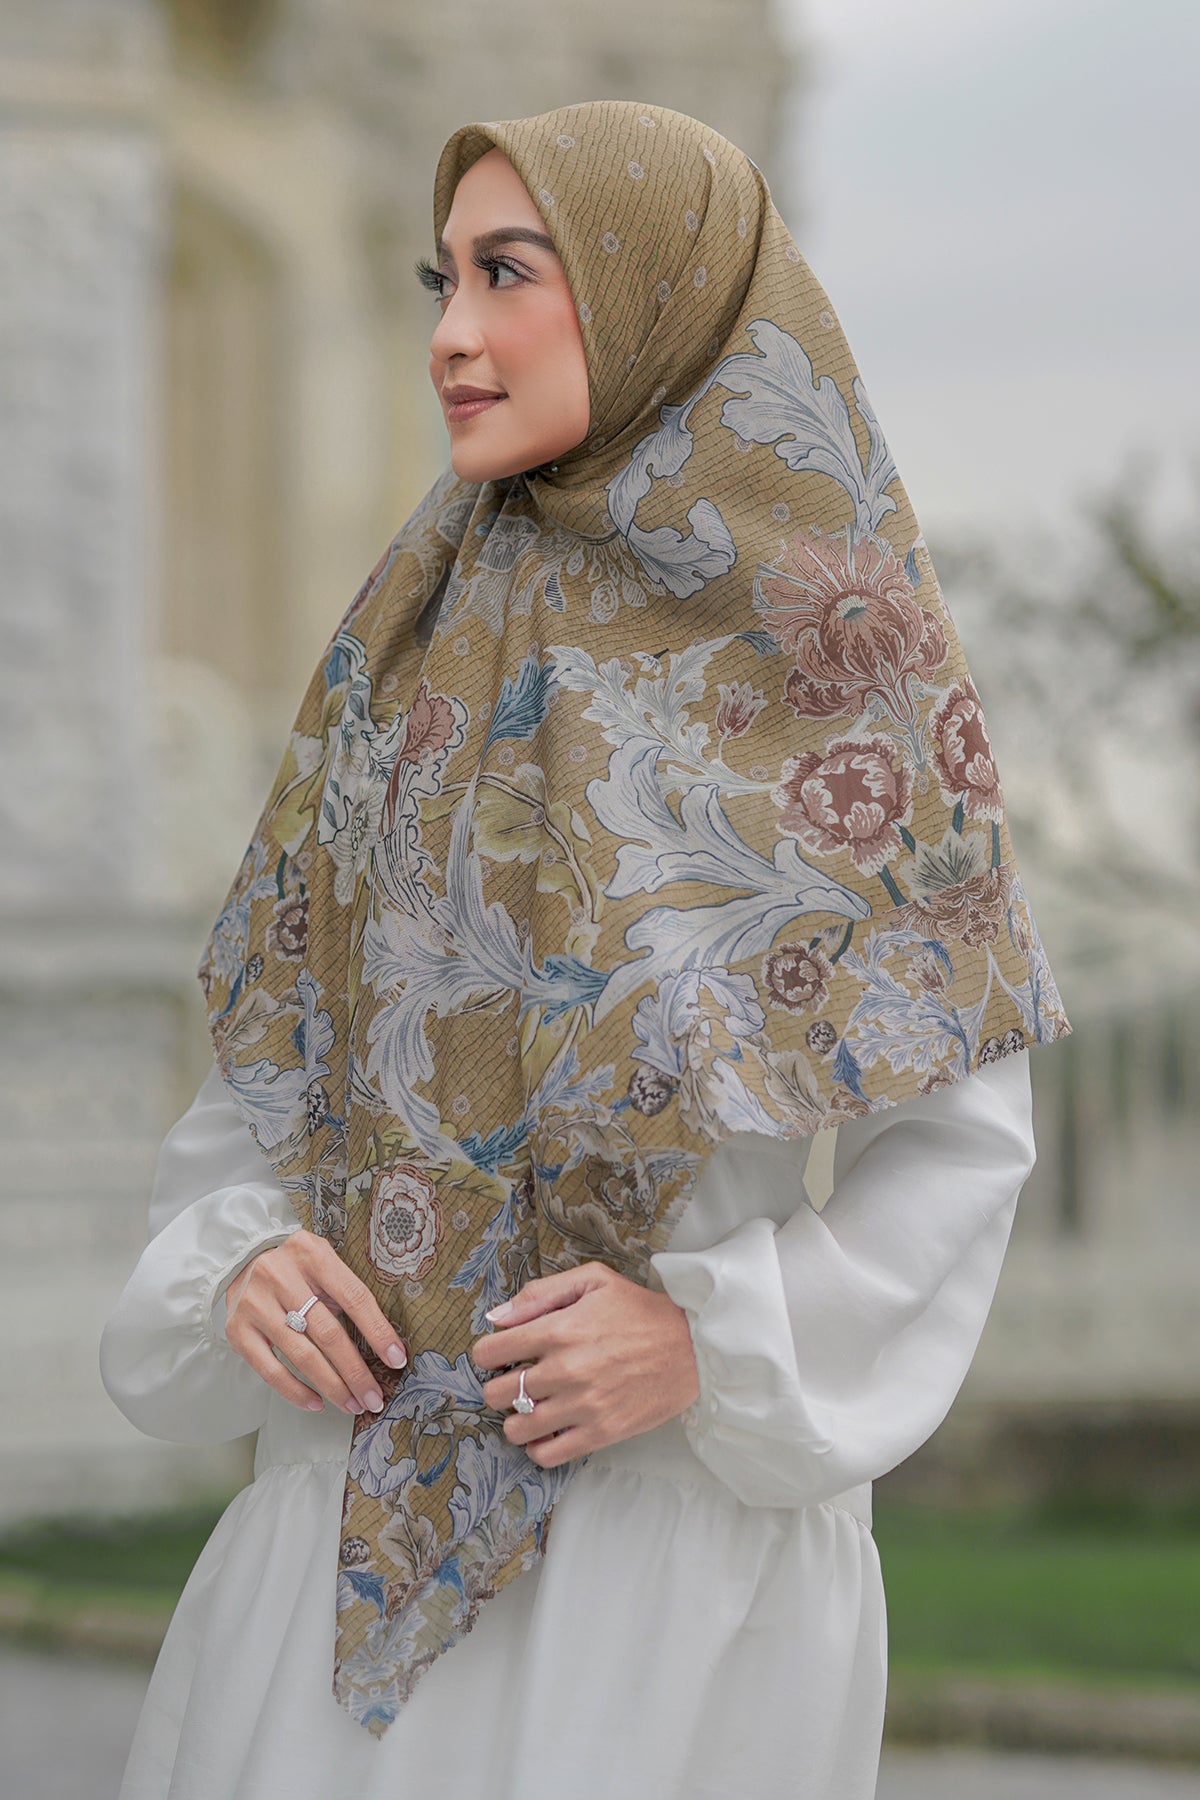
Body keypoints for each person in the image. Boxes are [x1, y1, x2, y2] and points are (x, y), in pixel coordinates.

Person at [100, 100, 1071, 1800]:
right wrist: (241, 1261)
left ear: (650, 293)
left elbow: (960, 1136)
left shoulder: (838, 669)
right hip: (333, 1554)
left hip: (668, 1578)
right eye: (441, 280)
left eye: (509, 273)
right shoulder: (396, 658)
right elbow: (273, 1080)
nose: (450, 334)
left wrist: (710, 1346)